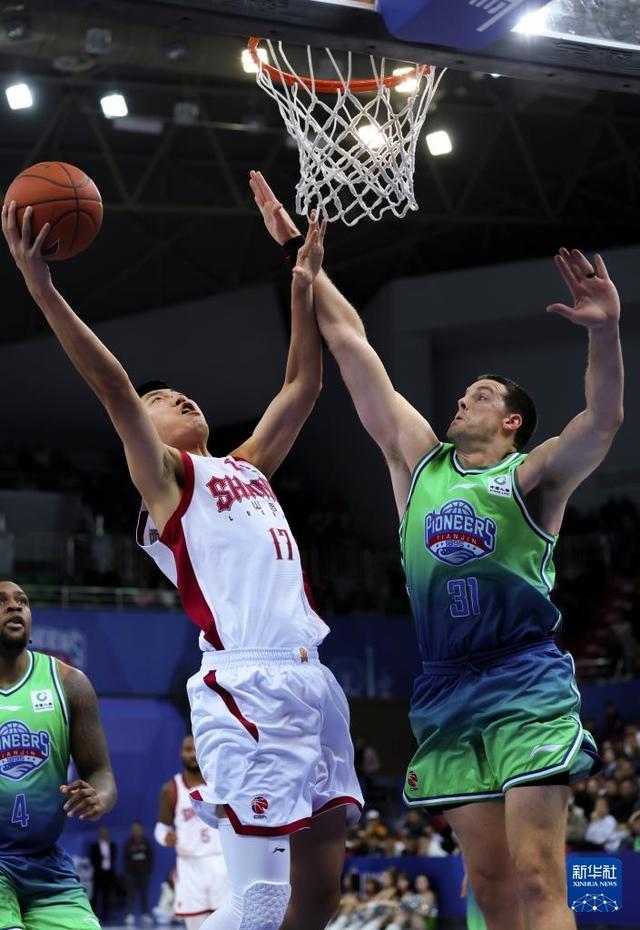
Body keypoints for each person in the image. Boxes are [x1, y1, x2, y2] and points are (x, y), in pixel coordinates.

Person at [250, 170, 623, 930]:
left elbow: (603, 420)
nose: (462, 399)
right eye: (462, 394)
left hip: (524, 679)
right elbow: (351, 344)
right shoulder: (418, 463)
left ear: (513, 422)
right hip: (446, 687)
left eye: (480, 395)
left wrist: (605, 332)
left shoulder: (532, 476)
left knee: (537, 877)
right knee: (488, 887)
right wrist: (299, 258)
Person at [2, 201, 363, 930]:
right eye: (159, 400)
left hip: (312, 679)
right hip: (247, 684)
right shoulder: (168, 482)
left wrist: (300, 284)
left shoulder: (246, 466)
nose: (176, 397)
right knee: (260, 901)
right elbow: (113, 388)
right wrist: (42, 289)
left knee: (320, 898)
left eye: (178, 393)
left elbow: (303, 388)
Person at [0, 580, 117, 930]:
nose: (15, 606)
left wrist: (98, 797)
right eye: (1, 601)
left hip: (46, 866)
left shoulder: (69, 683)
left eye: (22, 601)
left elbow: (101, 774)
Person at [155, 734, 230, 930]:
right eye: (189, 750)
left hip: (221, 862)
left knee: (227, 922)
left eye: (196, 749)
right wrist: (165, 837)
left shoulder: (218, 785)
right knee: (195, 925)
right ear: (181, 753)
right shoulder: (171, 789)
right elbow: (161, 828)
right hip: (190, 866)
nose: (193, 755)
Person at [123, 820, 154, 926]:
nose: (136, 831)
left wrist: (148, 870)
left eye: (138, 829)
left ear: (141, 830)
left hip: (144, 873)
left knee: (144, 894)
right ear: (132, 830)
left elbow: (150, 857)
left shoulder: (146, 842)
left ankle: (145, 914)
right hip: (131, 874)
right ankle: (130, 915)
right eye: (134, 829)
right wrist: (128, 872)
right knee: (131, 895)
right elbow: (125, 858)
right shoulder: (128, 843)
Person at [89, 826, 118, 923]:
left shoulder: (112, 845)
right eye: (102, 832)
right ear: (99, 833)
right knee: (95, 895)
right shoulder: (94, 846)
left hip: (108, 874)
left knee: (107, 895)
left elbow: (113, 859)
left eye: (105, 832)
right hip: (98, 874)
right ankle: (93, 914)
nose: (104, 834)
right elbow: (92, 859)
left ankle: (105, 916)